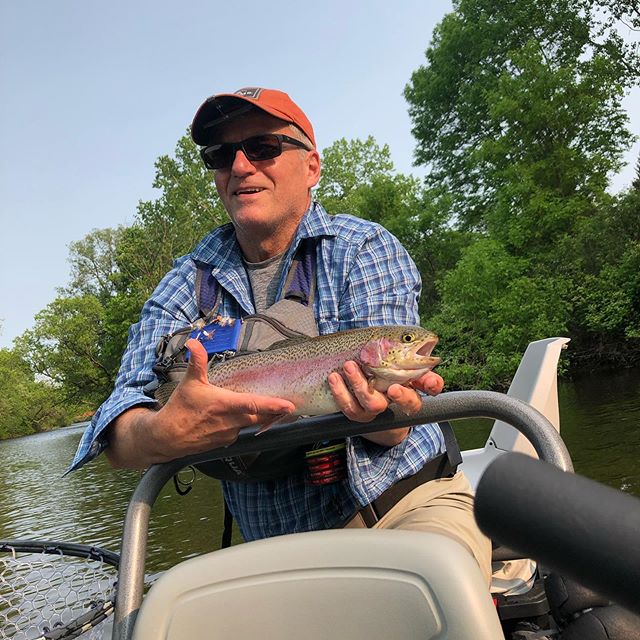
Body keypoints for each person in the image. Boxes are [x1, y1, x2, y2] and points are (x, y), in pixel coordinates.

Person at [70, 87, 491, 585]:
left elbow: (393, 429)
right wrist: (159, 434)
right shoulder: (185, 280)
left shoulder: (363, 248)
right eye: (221, 155)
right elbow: (114, 431)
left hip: (404, 507)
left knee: (443, 588)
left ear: (311, 166)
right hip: (274, 556)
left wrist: (378, 413)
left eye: (264, 147)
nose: (241, 166)